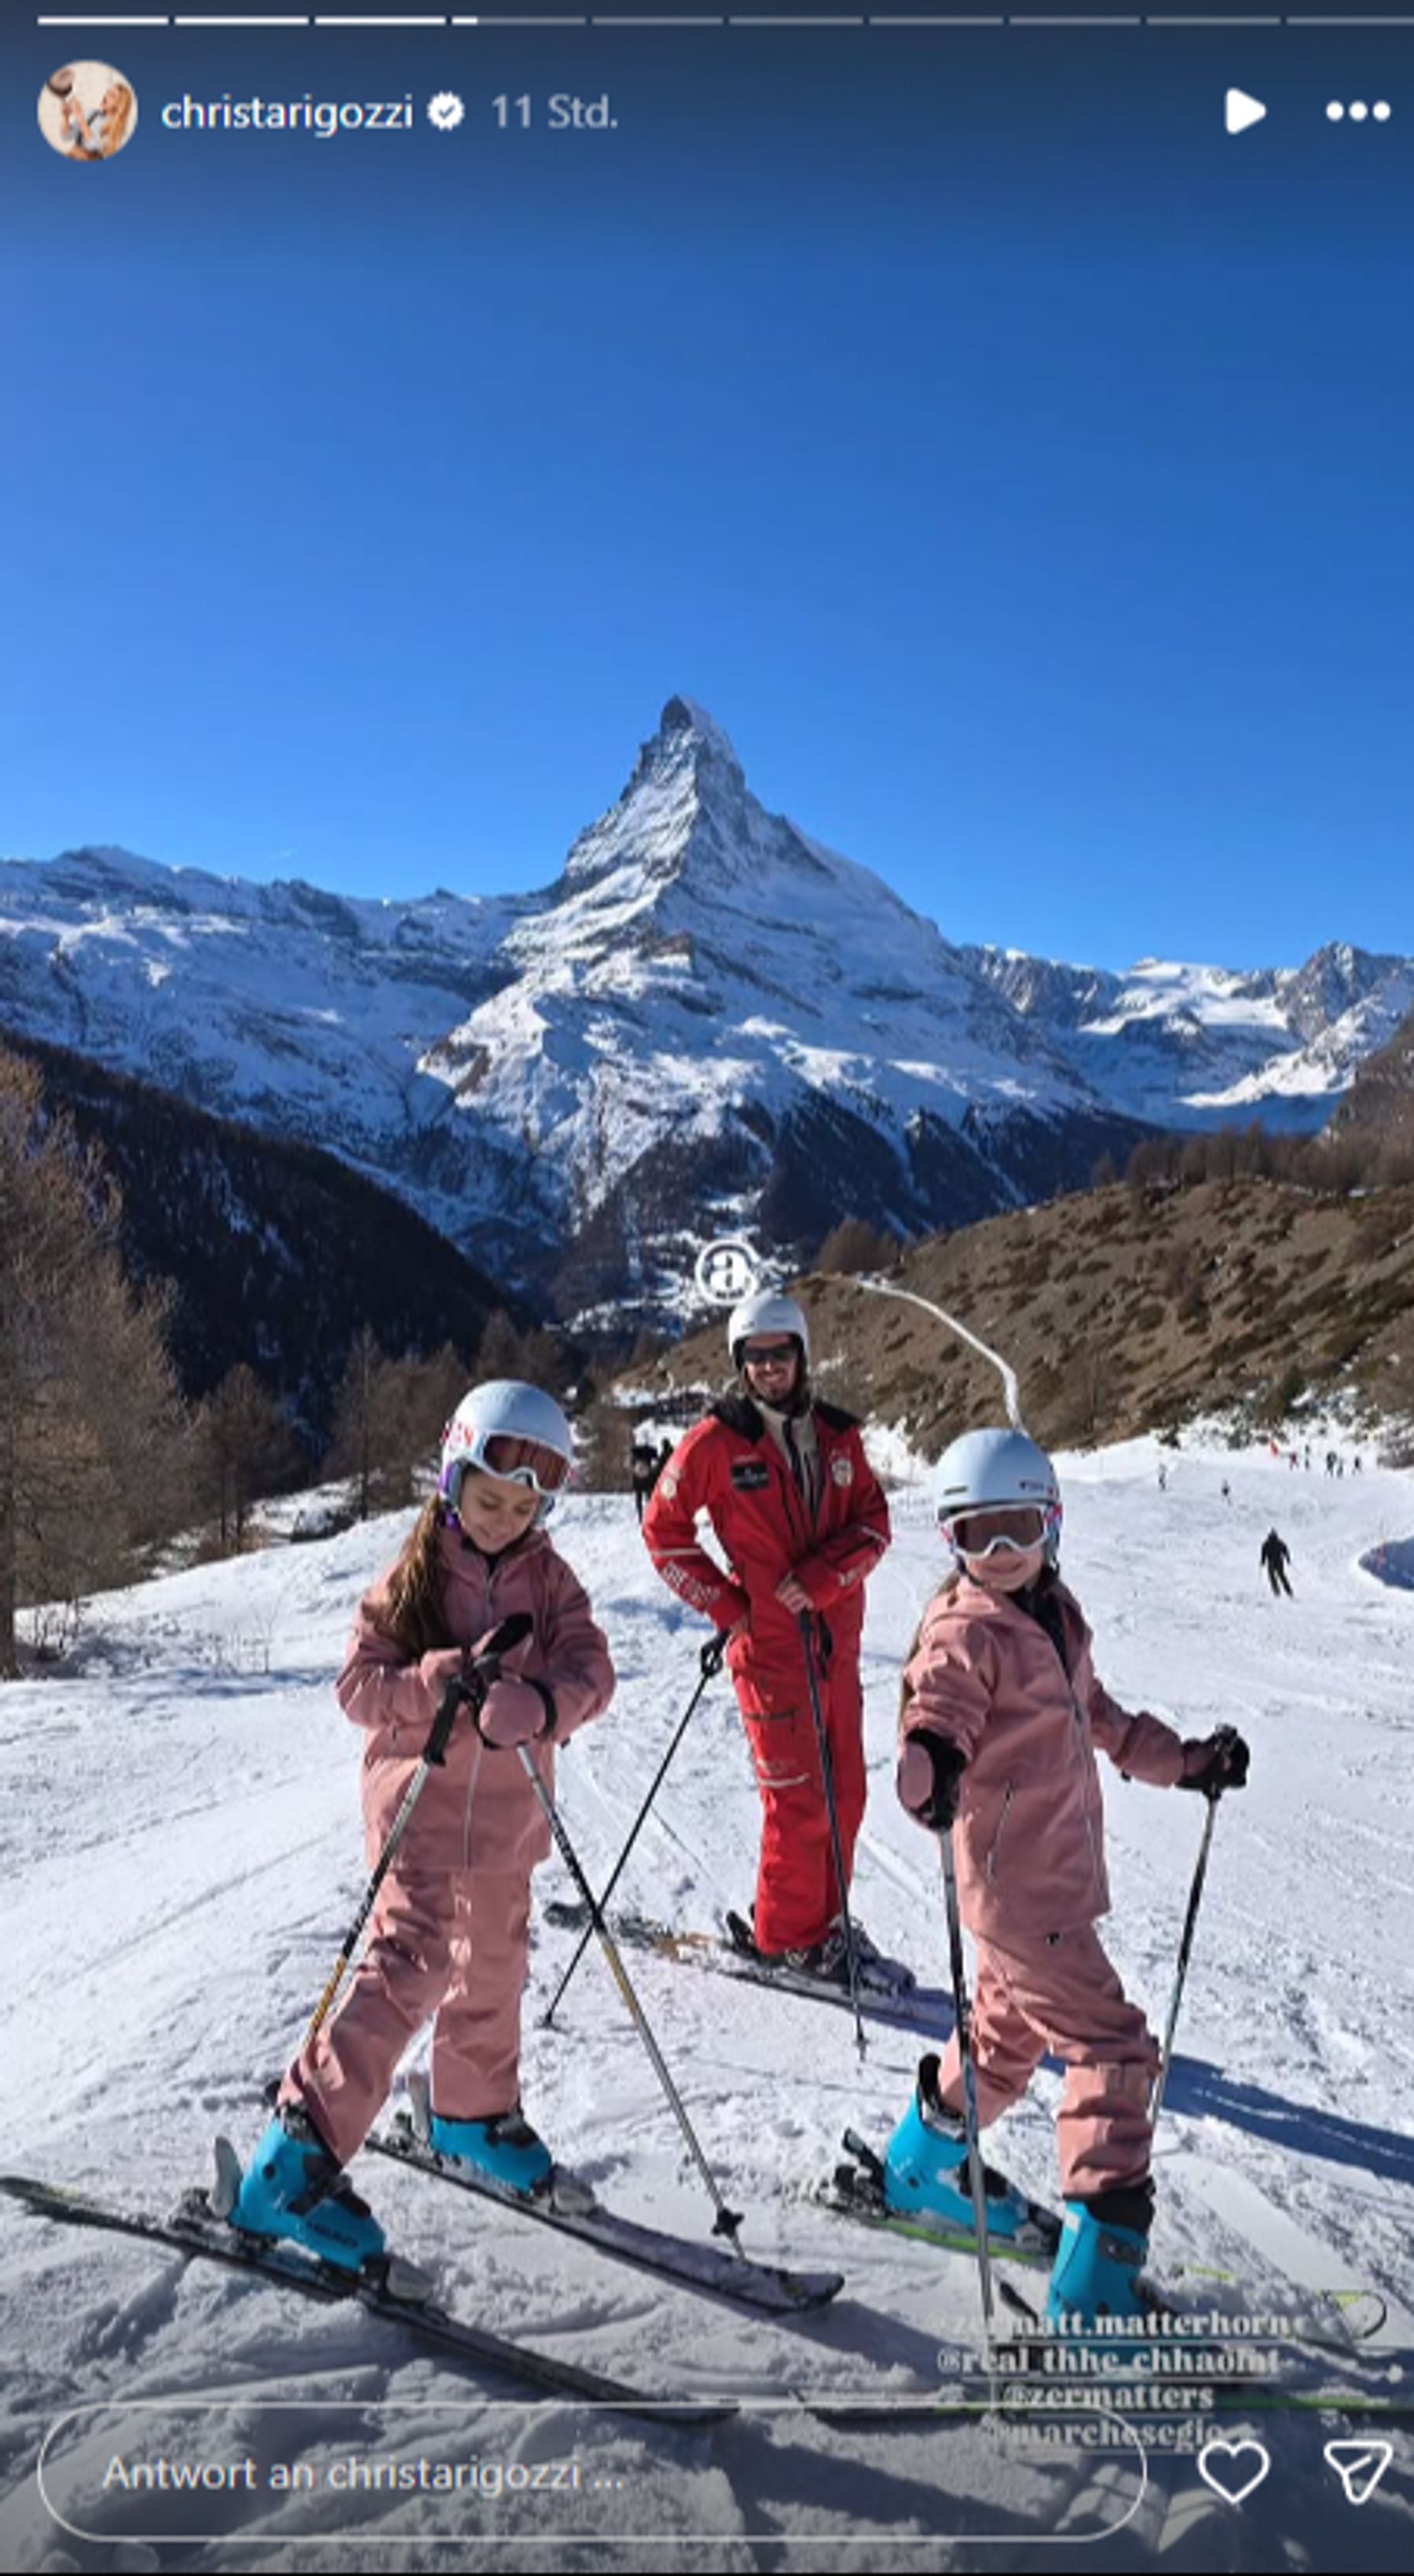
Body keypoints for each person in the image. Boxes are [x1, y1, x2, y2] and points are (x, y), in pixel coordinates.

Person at [227, 1380, 614, 2273]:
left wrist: (546, 1703)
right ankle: (295, 2159)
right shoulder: (413, 1579)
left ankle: (472, 2116)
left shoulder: (549, 1581)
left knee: (495, 1969)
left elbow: (595, 1669)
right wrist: (434, 1682)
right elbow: (358, 1688)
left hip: (508, 1824)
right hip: (420, 1819)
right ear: (453, 1477)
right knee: (410, 1965)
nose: (502, 1519)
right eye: (487, 1499)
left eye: (524, 1507)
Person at [885, 1426, 1249, 2329]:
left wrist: (1186, 1762)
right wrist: (927, 1759)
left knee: (1006, 2040)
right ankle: (1094, 2292)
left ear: (1052, 1523)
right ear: (952, 1543)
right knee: (1116, 2050)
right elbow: (939, 1707)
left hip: (1037, 1887)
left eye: (1017, 1530)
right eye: (977, 1536)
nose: (1001, 1554)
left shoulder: (1054, 1615)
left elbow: (1102, 1718)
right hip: (1021, 1894)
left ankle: (923, 2164)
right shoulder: (967, 1629)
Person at [642, 1288, 896, 1988]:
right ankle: (786, 1937)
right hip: (773, 1655)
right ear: (739, 1364)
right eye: (753, 1359)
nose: (768, 1370)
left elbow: (875, 1525)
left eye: (779, 1356)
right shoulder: (717, 1443)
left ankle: (823, 1919)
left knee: (846, 1794)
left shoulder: (840, 1437)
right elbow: (662, 1534)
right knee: (797, 1800)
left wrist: (822, 1579)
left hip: (835, 1645)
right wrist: (729, 1605)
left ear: (801, 1356)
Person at [1261, 1529, 1294, 1597]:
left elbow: (1263, 1553)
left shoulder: (1267, 1544)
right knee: (1281, 1577)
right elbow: (1285, 1550)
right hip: (1278, 1561)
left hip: (1273, 1562)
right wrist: (1288, 1559)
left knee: (1274, 1577)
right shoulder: (1279, 1543)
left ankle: (1278, 1592)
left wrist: (1263, 1561)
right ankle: (1288, 1592)